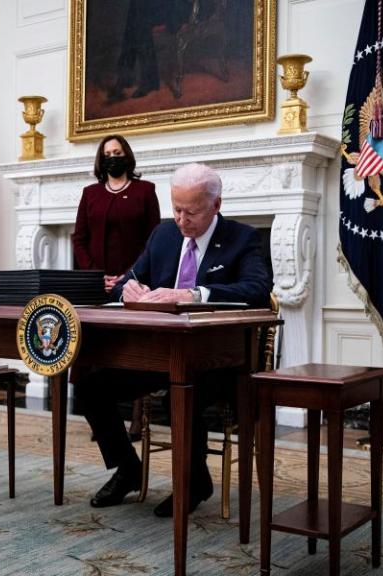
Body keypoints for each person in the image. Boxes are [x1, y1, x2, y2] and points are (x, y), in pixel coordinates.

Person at [75, 162, 271, 517]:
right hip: (161, 354)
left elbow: (258, 290)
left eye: (191, 212)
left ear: (216, 206)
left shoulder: (242, 238)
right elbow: (126, 280)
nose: (181, 220)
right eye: (176, 208)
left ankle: (195, 482)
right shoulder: (163, 235)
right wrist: (128, 289)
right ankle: (128, 468)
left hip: (221, 360)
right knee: (89, 385)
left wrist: (194, 296)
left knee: (184, 390)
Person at [71, 134, 160, 439]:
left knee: (133, 349)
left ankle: (138, 417)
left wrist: (129, 276)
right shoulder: (90, 193)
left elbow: (155, 240)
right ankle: (103, 420)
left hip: (136, 283)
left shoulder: (145, 191)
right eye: (108, 153)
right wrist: (95, 275)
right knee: (97, 348)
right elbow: (78, 238)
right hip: (97, 284)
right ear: (101, 159)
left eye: (118, 152)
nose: (113, 157)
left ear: (127, 156)